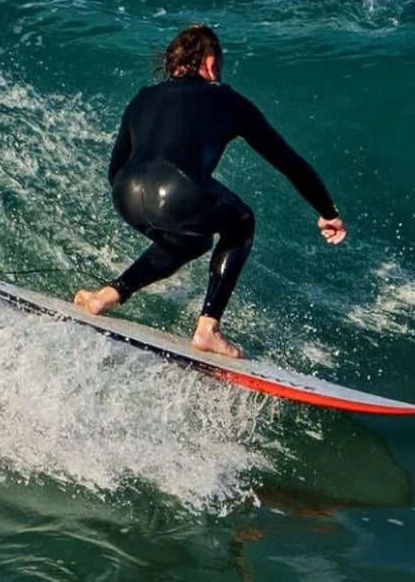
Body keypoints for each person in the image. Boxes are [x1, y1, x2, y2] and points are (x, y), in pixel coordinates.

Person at [74, 24, 346, 357]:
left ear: (173, 64)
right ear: (210, 62)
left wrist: (142, 198)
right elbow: (287, 160)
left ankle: (105, 296)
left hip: (125, 192)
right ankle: (208, 328)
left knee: (192, 240)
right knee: (241, 221)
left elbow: (116, 165)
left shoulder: (143, 97)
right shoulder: (226, 99)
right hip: (176, 190)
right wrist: (327, 211)